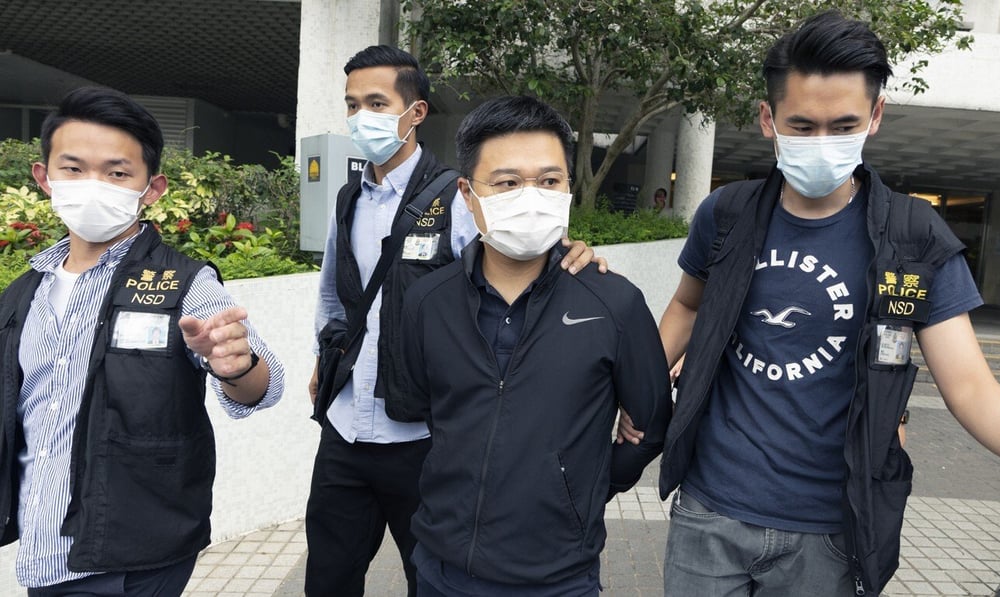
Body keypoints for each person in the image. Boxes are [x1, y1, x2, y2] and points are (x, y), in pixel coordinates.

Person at [622, 11, 1000, 596]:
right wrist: (636, 389)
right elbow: (687, 307)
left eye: (843, 125)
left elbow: (972, 390)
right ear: (768, 119)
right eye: (802, 126)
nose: (821, 143)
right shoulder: (727, 215)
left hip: (831, 530)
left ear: (875, 116)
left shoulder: (912, 238)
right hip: (710, 512)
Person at [305, 47, 603, 597]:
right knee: (327, 578)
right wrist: (324, 361)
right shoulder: (348, 198)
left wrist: (574, 255)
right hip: (344, 427)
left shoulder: (458, 197)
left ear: (416, 112)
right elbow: (334, 295)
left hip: (424, 435)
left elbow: (518, 273)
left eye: (376, 103)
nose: (361, 117)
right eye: (352, 105)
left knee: (430, 577)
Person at [0, 86, 285, 596]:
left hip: (133, 555)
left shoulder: (184, 283)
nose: (93, 185)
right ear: (44, 178)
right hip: (42, 547)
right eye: (73, 168)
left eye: (116, 173)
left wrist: (236, 366)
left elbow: (265, 386)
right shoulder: (24, 293)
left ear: (151, 189)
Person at [397, 95, 673, 596]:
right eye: (507, 182)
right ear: (467, 194)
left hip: (559, 579)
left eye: (549, 181)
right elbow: (421, 410)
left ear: (567, 188)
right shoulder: (426, 301)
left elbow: (650, 426)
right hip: (441, 571)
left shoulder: (614, 302)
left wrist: (583, 490)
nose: (531, 196)